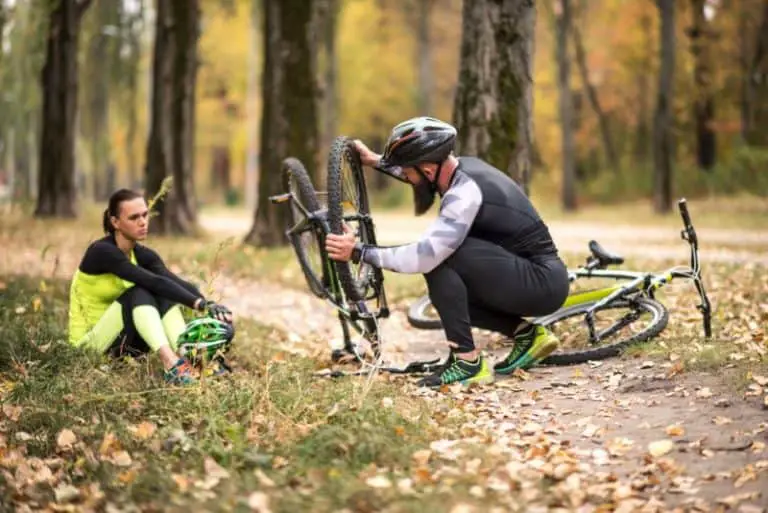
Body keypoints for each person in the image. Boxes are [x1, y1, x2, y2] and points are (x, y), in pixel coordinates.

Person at [325, 117, 570, 388]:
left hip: (541, 283)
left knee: (441, 258)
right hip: (534, 275)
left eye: (407, 172)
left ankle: (466, 362)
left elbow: (423, 257)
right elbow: (421, 176)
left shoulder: (464, 194)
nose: (405, 176)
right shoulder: (459, 169)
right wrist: (376, 161)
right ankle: (527, 335)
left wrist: (359, 251)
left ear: (429, 170)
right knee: (451, 290)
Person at [67, 188, 234, 385]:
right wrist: (199, 305)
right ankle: (172, 365)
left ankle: (191, 357)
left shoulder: (143, 254)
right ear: (115, 222)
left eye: (145, 215)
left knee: (163, 292)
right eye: (134, 217)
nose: (143, 222)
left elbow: (170, 280)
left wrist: (209, 304)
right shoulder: (101, 252)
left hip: (125, 343)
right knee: (140, 290)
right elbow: (153, 282)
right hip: (92, 346)